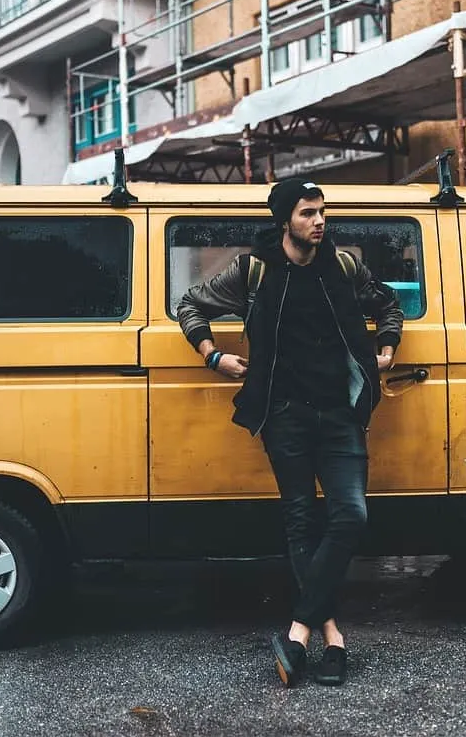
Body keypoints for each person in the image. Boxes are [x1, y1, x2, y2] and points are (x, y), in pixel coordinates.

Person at [176, 178, 404, 688]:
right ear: (285, 220)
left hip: (341, 414)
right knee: (301, 521)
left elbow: (388, 305)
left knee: (351, 514)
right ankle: (334, 638)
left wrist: (387, 345)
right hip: (285, 416)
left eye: (322, 212)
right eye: (307, 214)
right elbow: (189, 303)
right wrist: (212, 354)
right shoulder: (253, 270)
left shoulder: (343, 266)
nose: (319, 221)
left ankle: (300, 632)